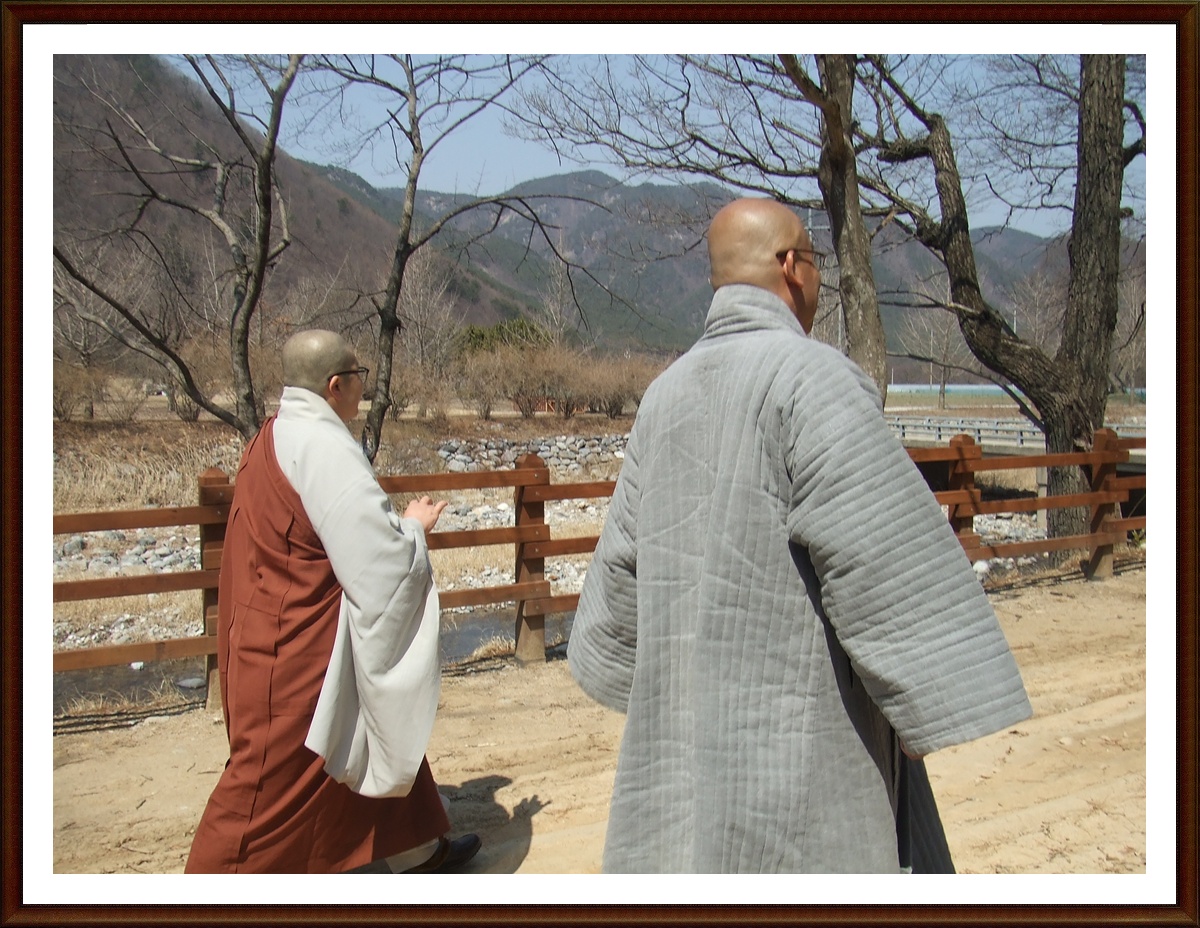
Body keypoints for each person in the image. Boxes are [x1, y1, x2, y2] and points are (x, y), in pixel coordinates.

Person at [568, 198, 1033, 874]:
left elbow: (620, 576)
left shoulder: (663, 395)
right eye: (815, 264)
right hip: (796, 732)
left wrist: (644, 681)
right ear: (792, 266)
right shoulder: (813, 377)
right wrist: (917, 701)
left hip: (686, 728)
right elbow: (879, 558)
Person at [185, 329, 480, 874]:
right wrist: (414, 529)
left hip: (270, 623)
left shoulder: (276, 431)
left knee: (369, 729)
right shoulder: (324, 446)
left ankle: (417, 852)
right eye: (359, 377)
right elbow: (380, 561)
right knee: (266, 788)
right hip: (298, 650)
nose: (364, 388)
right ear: (336, 384)